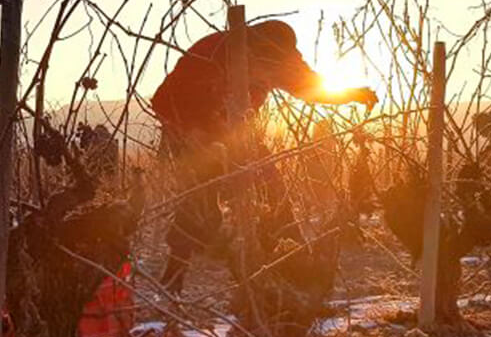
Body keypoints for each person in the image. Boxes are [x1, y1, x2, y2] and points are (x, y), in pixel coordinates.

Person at [149, 18, 376, 295]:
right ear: (253, 48)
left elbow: (309, 86)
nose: (269, 72)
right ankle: (175, 276)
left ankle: (292, 260)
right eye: (265, 64)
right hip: (191, 136)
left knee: (274, 189)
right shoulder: (212, 50)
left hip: (238, 136)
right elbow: (163, 99)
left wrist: (351, 94)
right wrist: (194, 134)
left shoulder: (276, 57)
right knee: (200, 203)